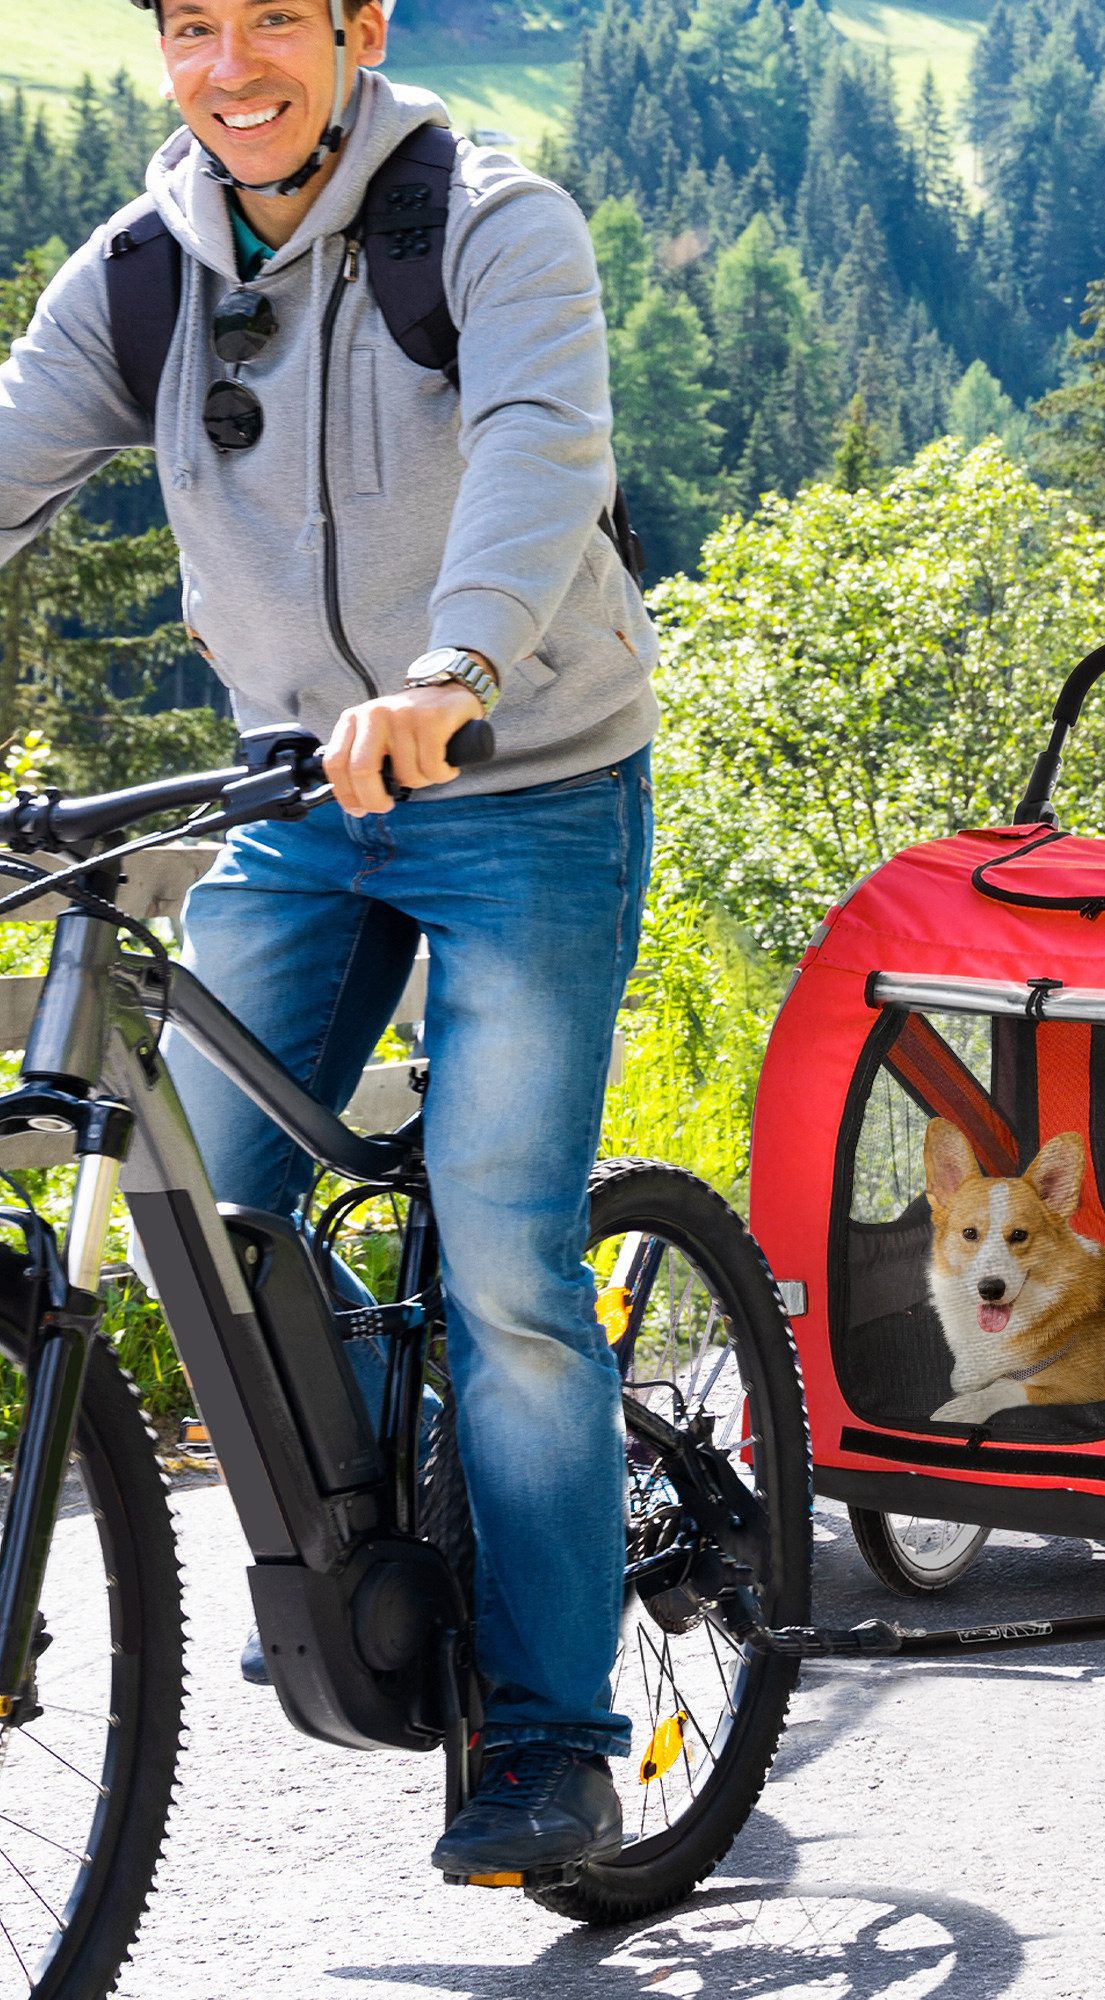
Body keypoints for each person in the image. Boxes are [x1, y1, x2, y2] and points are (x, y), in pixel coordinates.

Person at [0, 0, 659, 1877]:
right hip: (295, 799)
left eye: (273, 18)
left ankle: (551, 1731)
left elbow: (540, 459)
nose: (232, 65)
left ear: (358, 27)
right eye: (190, 25)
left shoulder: (491, 226)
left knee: (513, 1271)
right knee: (209, 1221)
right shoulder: (140, 275)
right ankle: (442, 1468)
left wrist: (454, 672)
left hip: (524, 783)